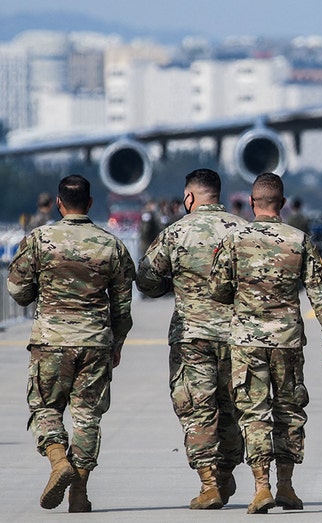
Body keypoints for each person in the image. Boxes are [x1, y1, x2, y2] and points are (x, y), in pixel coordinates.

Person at [208, 172, 322, 514]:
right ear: (282, 204)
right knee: (288, 412)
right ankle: (286, 486)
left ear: (252, 203)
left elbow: (218, 290)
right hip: (287, 340)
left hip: (247, 341)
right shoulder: (298, 240)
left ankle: (261, 487)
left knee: (254, 413)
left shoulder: (235, 239)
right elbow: (320, 296)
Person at [7, 174, 134, 513]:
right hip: (95, 343)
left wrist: (40, 291)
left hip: (51, 340)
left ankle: (58, 460)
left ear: (59, 204)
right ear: (90, 203)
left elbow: (18, 291)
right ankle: (79, 492)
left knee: (45, 408)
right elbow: (123, 306)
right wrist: (116, 342)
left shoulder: (39, 239)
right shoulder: (111, 245)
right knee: (87, 416)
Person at [135, 168, 247, 510]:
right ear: (219, 195)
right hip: (237, 336)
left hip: (191, 335)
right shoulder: (243, 231)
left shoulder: (175, 233)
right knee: (233, 407)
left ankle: (210, 483)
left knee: (198, 409)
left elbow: (146, 279)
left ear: (189, 198)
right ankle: (226, 470)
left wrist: (171, 286)